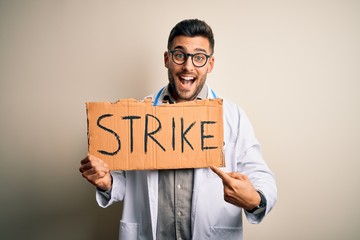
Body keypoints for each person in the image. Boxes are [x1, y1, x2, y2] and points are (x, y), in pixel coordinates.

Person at [79, 19, 277, 240]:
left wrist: (254, 200)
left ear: (210, 65)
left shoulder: (233, 117)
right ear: (167, 59)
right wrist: (107, 183)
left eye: (199, 57)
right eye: (180, 55)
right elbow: (125, 182)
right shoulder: (137, 114)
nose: (188, 67)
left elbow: (262, 178)